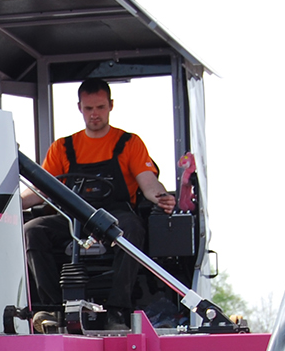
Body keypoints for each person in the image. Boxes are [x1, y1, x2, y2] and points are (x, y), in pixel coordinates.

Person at [22, 79, 176, 331]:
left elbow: (148, 183)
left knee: (131, 229)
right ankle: (52, 310)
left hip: (114, 216)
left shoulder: (129, 143)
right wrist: (14, 201)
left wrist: (161, 197)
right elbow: (41, 189)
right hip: (73, 218)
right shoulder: (63, 147)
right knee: (33, 230)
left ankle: (118, 309)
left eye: (100, 107)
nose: (95, 114)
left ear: (111, 106)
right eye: (89, 108)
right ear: (80, 108)